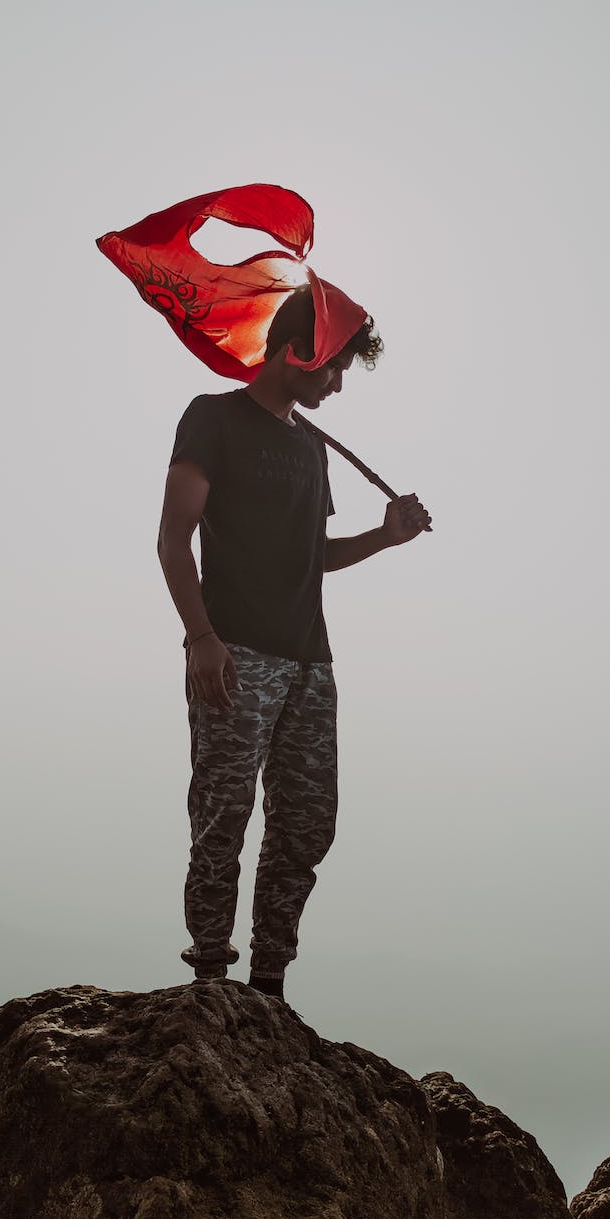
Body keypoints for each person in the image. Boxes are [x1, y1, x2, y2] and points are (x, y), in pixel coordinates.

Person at [156, 284, 431, 1001]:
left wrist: (383, 536)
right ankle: (211, 980)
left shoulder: (312, 448)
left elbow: (313, 556)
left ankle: (268, 984)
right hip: (234, 653)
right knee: (222, 816)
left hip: (311, 661)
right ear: (295, 351)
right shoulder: (212, 418)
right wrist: (200, 639)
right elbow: (172, 538)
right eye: (333, 367)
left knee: (305, 826)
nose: (338, 383)